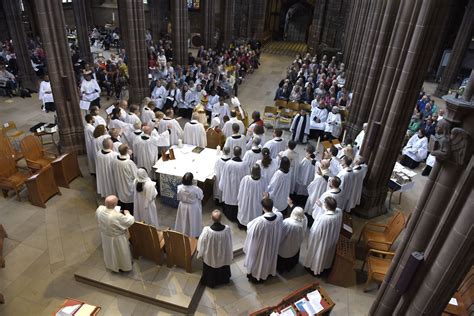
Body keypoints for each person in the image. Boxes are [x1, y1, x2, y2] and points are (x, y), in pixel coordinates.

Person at [244, 197, 283, 283]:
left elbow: (250, 230)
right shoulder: (279, 216)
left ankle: (257, 275)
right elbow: (276, 211)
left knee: (260, 260)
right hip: (272, 243)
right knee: (269, 258)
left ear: (263, 208)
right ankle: (268, 272)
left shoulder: (260, 221)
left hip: (262, 246)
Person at [303, 196, 342, 275]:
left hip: (322, 240)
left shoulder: (324, 219)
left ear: (327, 206)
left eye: (324, 204)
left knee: (318, 252)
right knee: (326, 255)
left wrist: (311, 241)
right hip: (331, 238)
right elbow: (331, 211)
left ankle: (314, 268)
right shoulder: (339, 212)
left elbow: (316, 232)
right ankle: (324, 267)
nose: (323, 204)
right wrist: (321, 206)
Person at [96, 195, 135, 272]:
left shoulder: (99, 209)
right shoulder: (116, 216)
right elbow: (129, 221)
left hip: (105, 236)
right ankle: (124, 267)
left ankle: (112, 266)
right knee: (121, 253)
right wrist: (128, 214)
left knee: (110, 252)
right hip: (117, 238)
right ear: (115, 205)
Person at [197, 210, 233, 288]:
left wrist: (200, 252)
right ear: (221, 219)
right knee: (222, 264)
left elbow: (201, 242)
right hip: (223, 255)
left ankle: (211, 282)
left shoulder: (207, 231)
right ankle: (223, 279)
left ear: (211, 218)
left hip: (211, 256)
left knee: (211, 264)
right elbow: (229, 241)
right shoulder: (227, 229)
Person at [219, 146, 249, 222]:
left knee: (230, 200)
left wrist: (222, 186)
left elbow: (224, 176)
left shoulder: (228, 164)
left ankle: (228, 214)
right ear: (241, 153)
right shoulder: (245, 165)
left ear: (233, 153)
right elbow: (247, 177)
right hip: (239, 189)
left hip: (229, 189)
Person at [237, 164, 268, 229]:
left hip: (245, 202)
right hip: (257, 203)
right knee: (254, 213)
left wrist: (239, 200)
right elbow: (265, 194)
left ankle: (243, 225)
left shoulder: (245, 179)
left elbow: (240, 191)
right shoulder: (263, 180)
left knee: (245, 212)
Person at [277, 207, 307, 273]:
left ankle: (281, 269)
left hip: (285, 244)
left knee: (283, 255)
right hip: (296, 243)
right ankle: (289, 267)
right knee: (292, 253)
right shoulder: (304, 220)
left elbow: (282, 234)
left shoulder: (287, 222)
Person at [175, 172, 204, 238]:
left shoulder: (179, 188)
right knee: (193, 221)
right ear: (191, 180)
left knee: (183, 220)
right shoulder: (196, 189)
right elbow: (201, 197)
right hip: (193, 207)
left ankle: (184, 231)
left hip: (183, 206)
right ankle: (193, 233)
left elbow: (178, 198)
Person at [304, 159, 331, 224]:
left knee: (311, 206)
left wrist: (309, 189)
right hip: (321, 193)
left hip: (315, 193)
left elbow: (311, 186)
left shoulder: (320, 177)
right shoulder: (329, 172)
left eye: (321, 163)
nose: (320, 164)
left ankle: (308, 220)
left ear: (323, 165)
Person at [114, 144, 138, 212]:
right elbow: (136, 175)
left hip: (119, 182)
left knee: (122, 197)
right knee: (129, 201)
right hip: (128, 185)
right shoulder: (129, 163)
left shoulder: (116, 160)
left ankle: (122, 210)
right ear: (127, 151)